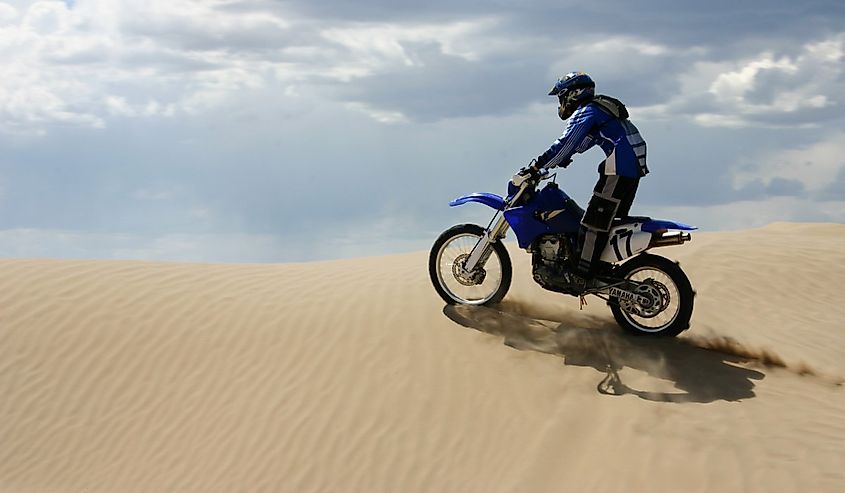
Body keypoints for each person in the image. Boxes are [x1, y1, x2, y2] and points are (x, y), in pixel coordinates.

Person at [527, 71, 649, 286]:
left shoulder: (587, 111)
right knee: (608, 223)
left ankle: (582, 275)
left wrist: (537, 165)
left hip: (620, 168)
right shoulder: (600, 109)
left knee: (593, 224)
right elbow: (581, 144)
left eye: (561, 97)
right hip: (631, 168)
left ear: (573, 94)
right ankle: (602, 268)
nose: (561, 103)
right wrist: (561, 160)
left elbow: (565, 144)